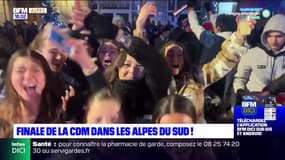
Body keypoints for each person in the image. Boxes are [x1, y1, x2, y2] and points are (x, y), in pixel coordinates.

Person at [0, 48, 64, 128]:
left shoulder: (61, 113)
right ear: (10, 77)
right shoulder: (2, 117)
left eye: (35, 70)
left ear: (46, 76)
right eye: (20, 71)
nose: (28, 77)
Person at [234, 14, 285, 94]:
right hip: (254, 97)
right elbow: (240, 78)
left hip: (279, 100)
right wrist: (240, 92)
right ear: (264, 36)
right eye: (270, 36)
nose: (274, 41)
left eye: (279, 36)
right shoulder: (252, 53)